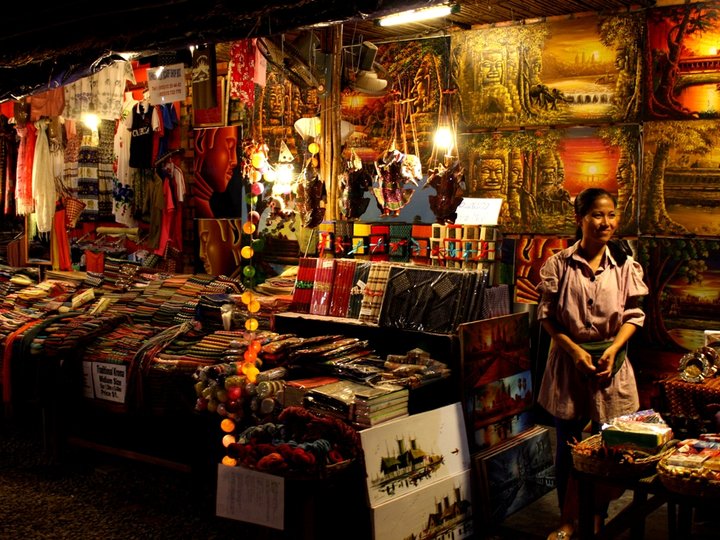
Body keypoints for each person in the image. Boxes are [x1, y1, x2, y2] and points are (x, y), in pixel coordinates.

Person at [536, 188, 649, 540]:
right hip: (569, 363)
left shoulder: (625, 267)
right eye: (597, 215)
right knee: (567, 447)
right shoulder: (558, 264)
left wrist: (613, 349)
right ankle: (568, 520)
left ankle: (595, 515)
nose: (606, 223)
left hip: (610, 365)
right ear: (579, 218)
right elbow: (546, 316)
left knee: (607, 449)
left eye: (611, 215)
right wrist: (573, 350)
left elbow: (633, 315)